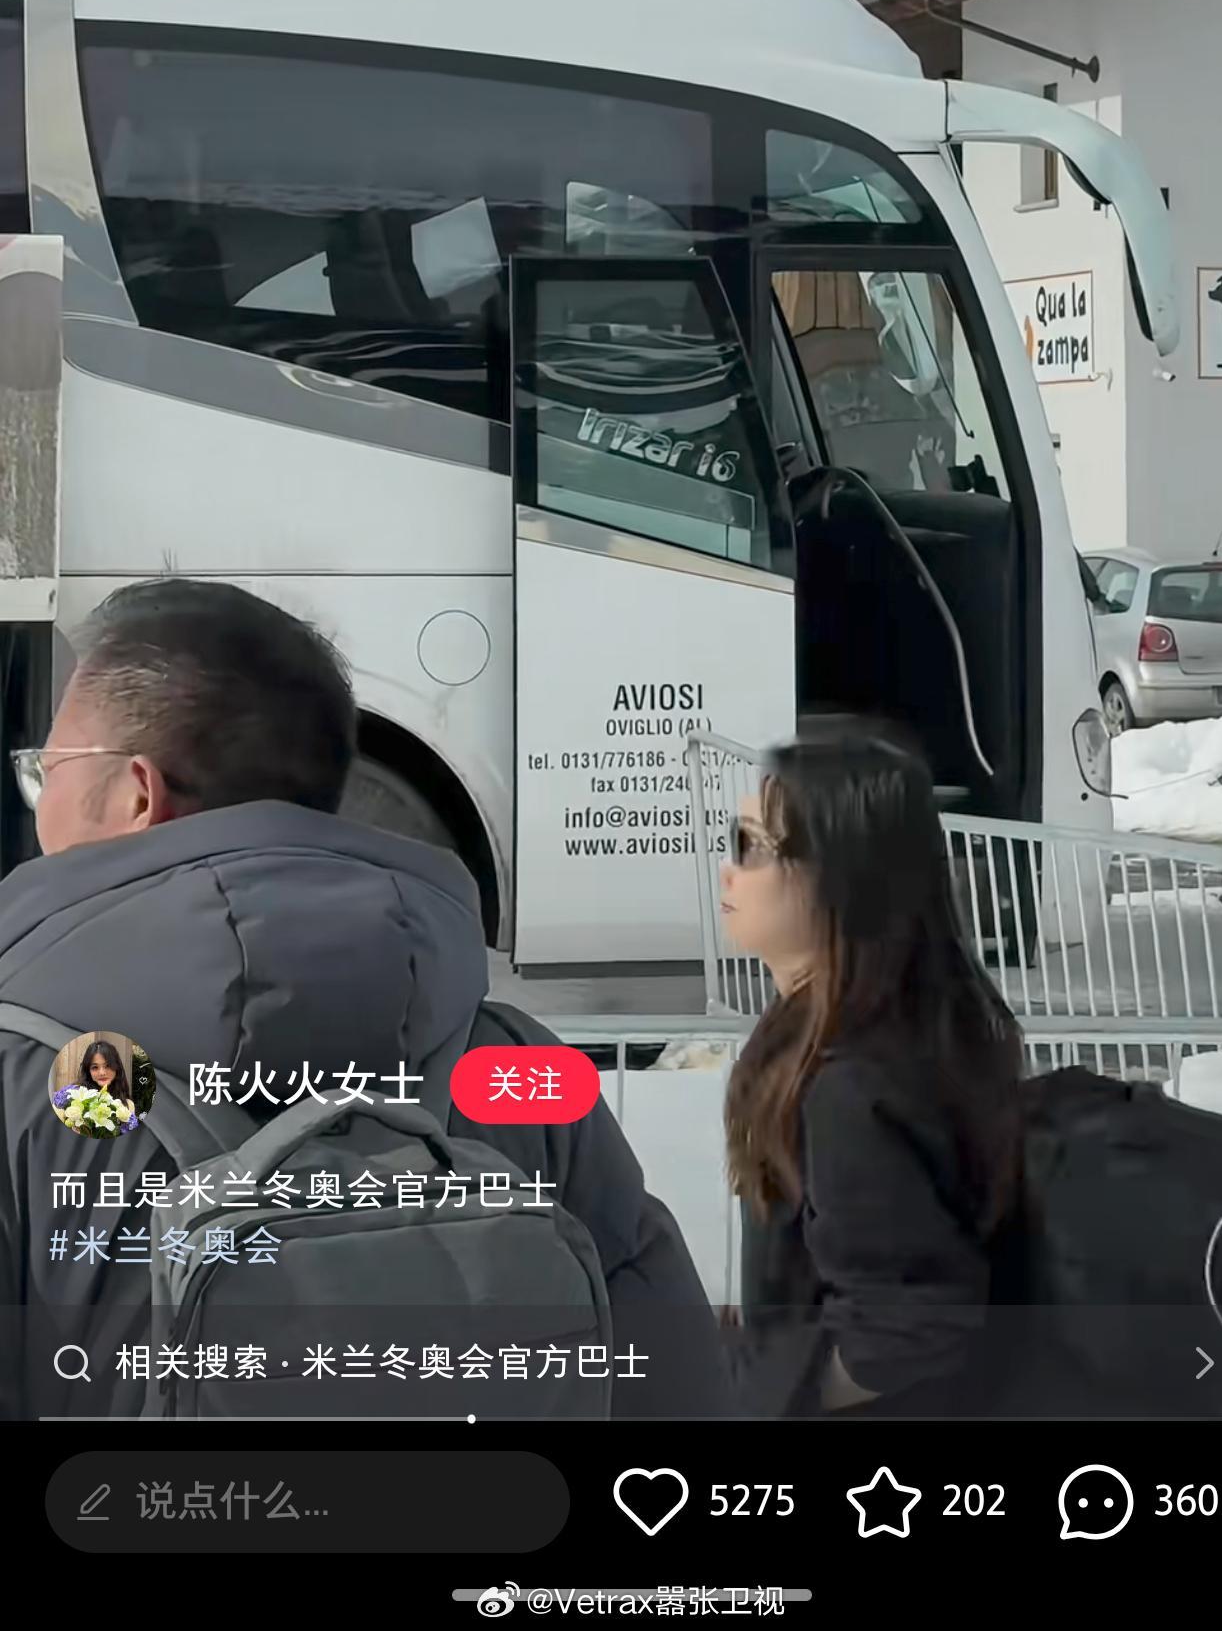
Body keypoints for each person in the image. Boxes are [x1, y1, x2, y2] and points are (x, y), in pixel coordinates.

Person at [0, 577, 729, 1420]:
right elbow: (669, 1376)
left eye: (47, 769)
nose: (38, 797)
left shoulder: (22, 1082)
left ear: (136, 792)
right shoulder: (514, 1063)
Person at [720, 719, 1025, 1418]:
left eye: (753, 846)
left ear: (836, 876)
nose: (729, 869)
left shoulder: (852, 1088)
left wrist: (765, 1395)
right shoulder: (862, 1032)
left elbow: (903, 1333)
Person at [78, 1040, 135, 1113]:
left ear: (117, 1067)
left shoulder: (128, 1106)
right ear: (88, 1071)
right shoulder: (75, 1101)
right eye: (95, 1067)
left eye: (107, 1066)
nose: (102, 1073)